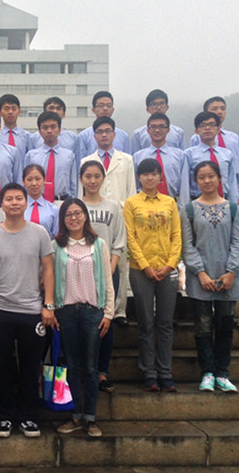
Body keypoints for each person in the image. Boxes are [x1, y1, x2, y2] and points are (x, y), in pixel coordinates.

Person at [0, 183, 55, 439]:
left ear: (26, 202)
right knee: (1, 366)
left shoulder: (40, 233)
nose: (14, 203)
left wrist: (48, 305)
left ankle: (28, 416)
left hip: (32, 310)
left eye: (19, 198)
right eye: (9, 199)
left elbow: (48, 269)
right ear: (1, 204)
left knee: (31, 366)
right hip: (0, 309)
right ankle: (4, 416)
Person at [181, 161, 239, 393]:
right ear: (196, 181)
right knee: (203, 326)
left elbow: (238, 243)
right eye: (202, 177)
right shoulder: (189, 210)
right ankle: (207, 372)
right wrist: (200, 272)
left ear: (219, 178)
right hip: (200, 279)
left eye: (211, 176)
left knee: (225, 325)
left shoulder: (233, 208)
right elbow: (187, 246)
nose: (207, 180)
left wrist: (231, 272)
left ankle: (222, 373)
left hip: (228, 279)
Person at [53, 198, 115, 438]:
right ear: (63, 219)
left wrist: (108, 313)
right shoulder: (56, 246)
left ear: (85, 216)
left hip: (92, 313)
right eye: (68, 214)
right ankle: (75, 415)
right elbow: (47, 279)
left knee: (90, 367)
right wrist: (51, 308)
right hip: (66, 312)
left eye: (78, 213)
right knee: (71, 365)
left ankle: (90, 417)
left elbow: (107, 281)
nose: (74, 218)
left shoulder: (98, 245)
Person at [124, 159, 182, 393]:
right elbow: (130, 237)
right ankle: (149, 372)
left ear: (160, 177)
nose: (149, 178)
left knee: (165, 323)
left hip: (167, 270)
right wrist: (146, 265)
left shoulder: (170, 202)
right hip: (140, 270)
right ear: (139, 177)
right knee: (146, 322)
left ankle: (165, 372)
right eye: (145, 174)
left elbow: (176, 236)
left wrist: (170, 265)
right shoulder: (131, 203)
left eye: (154, 173)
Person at [78, 116, 136, 327]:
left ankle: (118, 311)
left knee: (118, 264)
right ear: (94, 136)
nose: (104, 135)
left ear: (114, 134)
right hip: (92, 215)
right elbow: (81, 192)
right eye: (100, 132)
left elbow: (131, 191)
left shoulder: (126, 160)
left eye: (108, 131)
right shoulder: (86, 160)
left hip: (118, 215)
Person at [79, 161, 125, 393]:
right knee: (81, 322)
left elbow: (118, 241)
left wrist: (110, 269)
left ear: (103, 178)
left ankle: (101, 373)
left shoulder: (113, 207)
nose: (93, 180)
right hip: (79, 273)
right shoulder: (75, 206)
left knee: (106, 320)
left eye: (97, 176)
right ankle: (82, 371)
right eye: (88, 176)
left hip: (107, 272)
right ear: (81, 179)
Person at [189, 96, 239, 199]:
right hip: (201, 195)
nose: (219, 112)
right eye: (214, 109)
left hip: (226, 194)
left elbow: (237, 168)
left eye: (222, 108)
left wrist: (237, 195)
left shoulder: (233, 138)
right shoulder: (196, 139)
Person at [132, 113, 190, 205]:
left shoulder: (180, 156)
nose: (157, 130)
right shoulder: (138, 157)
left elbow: (184, 186)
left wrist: (183, 208)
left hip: (171, 203)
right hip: (144, 205)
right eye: (153, 127)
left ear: (168, 130)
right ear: (148, 131)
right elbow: (134, 185)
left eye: (161, 126)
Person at [24, 111, 77, 201]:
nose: (49, 131)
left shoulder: (69, 155)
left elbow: (73, 185)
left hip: (62, 201)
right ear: (39, 131)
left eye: (53, 127)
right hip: (38, 201)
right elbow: (26, 183)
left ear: (59, 130)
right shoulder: (31, 156)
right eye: (45, 127)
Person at [75, 91, 131, 167]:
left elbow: (128, 163)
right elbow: (80, 165)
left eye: (108, 106)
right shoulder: (84, 136)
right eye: (101, 106)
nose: (105, 109)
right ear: (93, 110)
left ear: (113, 110)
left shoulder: (123, 136)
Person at [22, 164, 59, 239]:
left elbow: (56, 236)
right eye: (29, 180)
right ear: (23, 182)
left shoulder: (54, 209)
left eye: (38, 179)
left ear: (44, 180)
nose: (34, 183)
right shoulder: (19, 208)